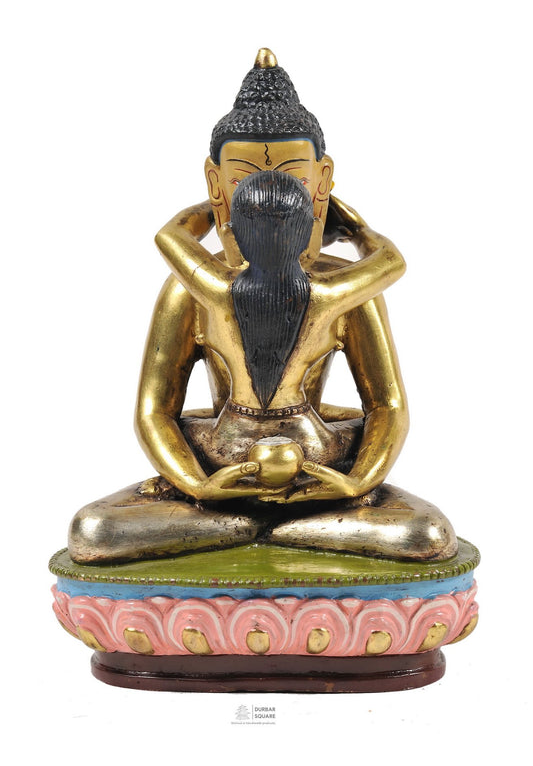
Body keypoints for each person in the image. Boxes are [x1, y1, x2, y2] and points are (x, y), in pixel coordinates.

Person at [68, 49, 457, 564]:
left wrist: (357, 481)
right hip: (219, 463)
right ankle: (282, 530)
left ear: (322, 183)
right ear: (216, 185)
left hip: (317, 467)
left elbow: (386, 406)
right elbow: (155, 411)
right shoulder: (192, 290)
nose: (265, 190)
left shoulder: (334, 288)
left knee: (424, 534)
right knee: (95, 531)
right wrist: (196, 484)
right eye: (243, 179)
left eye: (292, 178)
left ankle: (242, 530)